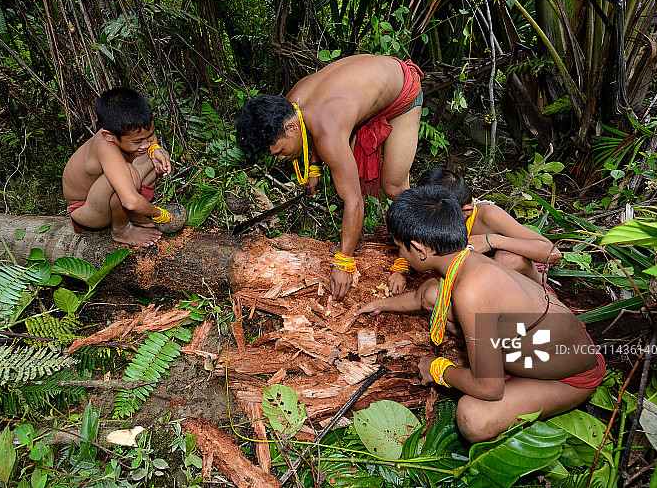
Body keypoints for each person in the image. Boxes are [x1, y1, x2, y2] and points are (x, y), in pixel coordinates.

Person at [356, 186, 605, 443]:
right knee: (433, 293)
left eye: (401, 248)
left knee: (472, 417)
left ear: (420, 249)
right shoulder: (465, 259)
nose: (401, 254)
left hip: (570, 376)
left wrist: (437, 369)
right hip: (541, 347)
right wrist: (382, 304)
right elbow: (423, 296)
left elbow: (490, 388)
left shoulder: (472, 292)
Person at [236, 54, 424, 300]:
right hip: (366, 90)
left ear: (290, 128)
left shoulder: (327, 127)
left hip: (402, 90)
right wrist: (314, 168)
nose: (280, 159)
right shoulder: (292, 103)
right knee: (352, 174)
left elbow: (353, 200)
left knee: (393, 186)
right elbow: (309, 128)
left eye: (279, 152)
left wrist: (344, 262)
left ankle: (412, 251)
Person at [388, 167, 561, 295]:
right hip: (474, 283)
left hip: (522, 287)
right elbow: (414, 239)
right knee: (431, 294)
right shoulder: (438, 214)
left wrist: (491, 241)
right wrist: (401, 270)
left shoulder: (488, 215)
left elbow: (553, 254)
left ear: (466, 211)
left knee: (508, 259)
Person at [62, 87, 186, 247]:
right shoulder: (105, 146)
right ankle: (121, 230)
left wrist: (155, 149)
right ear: (109, 135)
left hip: (104, 196)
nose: (145, 143)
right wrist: (160, 215)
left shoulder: (124, 130)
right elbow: (130, 201)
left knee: (155, 159)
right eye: (137, 141)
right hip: (87, 210)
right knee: (129, 174)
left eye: (149, 136)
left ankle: (130, 216)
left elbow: (148, 141)